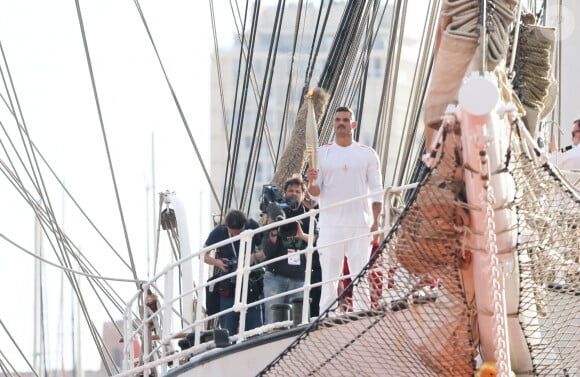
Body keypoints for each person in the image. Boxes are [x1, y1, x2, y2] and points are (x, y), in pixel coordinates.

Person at [306, 106, 383, 313]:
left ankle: (362, 314)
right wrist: (310, 181)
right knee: (329, 279)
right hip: (331, 225)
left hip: (359, 224)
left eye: (346, 120)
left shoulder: (367, 154)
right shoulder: (322, 153)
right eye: (338, 120)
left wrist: (376, 221)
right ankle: (326, 317)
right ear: (333, 124)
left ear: (353, 124)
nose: (341, 123)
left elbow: (377, 191)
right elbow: (314, 193)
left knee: (360, 276)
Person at [262, 175, 320, 324]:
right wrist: (274, 227)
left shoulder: (310, 216)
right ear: (284, 193)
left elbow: (318, 241)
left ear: (303, 195)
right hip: (276, 277)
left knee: (299, 324)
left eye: (298, 191)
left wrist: (302, 235)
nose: (294, 193)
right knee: (272, 324)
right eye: (290, 190)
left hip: (300, 278)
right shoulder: (276, 213)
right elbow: (267, 251)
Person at [203, 209, 264, 335]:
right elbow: (203, 255)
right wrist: (218, 262)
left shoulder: (251, 225)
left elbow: (267, 249)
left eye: (239, 233)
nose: (236, 236)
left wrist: (253, 257)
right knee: (227, 328)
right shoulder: (219, 232)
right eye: (233, 233)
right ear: (226, 227)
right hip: (228, 284)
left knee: (253, 329)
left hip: (250, 281)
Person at [549, 119, 580, 187]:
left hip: (566, 196)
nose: (572, 137)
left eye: (573, 133)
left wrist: (554, 153)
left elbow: (549, 164)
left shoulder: (572, 151)